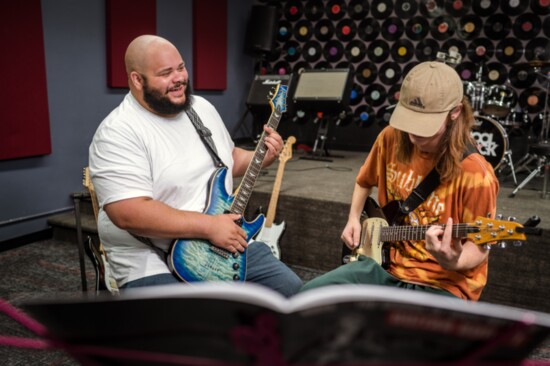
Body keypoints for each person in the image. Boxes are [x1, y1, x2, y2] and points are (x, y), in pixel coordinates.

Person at [88, 35, 302, 297]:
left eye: (181, 67)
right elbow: (128, 212)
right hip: (150, 254)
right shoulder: (118, 132)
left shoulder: (201, 108)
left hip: (219, 239)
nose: (179, 78)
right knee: (194, 326)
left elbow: (228, 158)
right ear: (137, 79)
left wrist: (261, 157)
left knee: (293, 293)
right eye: (166, 73)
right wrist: (209, 226)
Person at [301, 61, 499, 301]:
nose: (413, 136)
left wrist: (453, 259)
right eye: (409, 122)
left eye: (424, 126)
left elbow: (479, 248)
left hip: (443, 284)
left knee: (391, 333)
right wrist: (353, 218)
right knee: (308, 297)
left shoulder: (476, 173)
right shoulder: (391, 137)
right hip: (385, 266)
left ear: (454, 113)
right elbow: (364, 181)